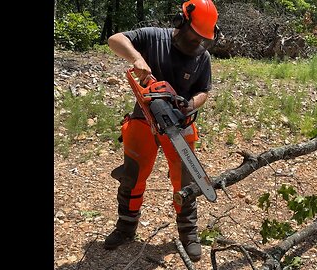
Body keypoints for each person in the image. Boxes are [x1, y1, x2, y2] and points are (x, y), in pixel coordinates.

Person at [103, 0, 219, 262]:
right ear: (181, 23)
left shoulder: (203, 56)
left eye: (203, 38)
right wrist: (137, 58)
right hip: (143, 119)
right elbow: (114, 39)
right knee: (132, 174)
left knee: (186, 179)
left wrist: (188, 106)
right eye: (194, 36)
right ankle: (125, 227)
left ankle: (188, 233)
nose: (197, 43)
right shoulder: (154, 37)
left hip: (179, 122)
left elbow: (204, 91)